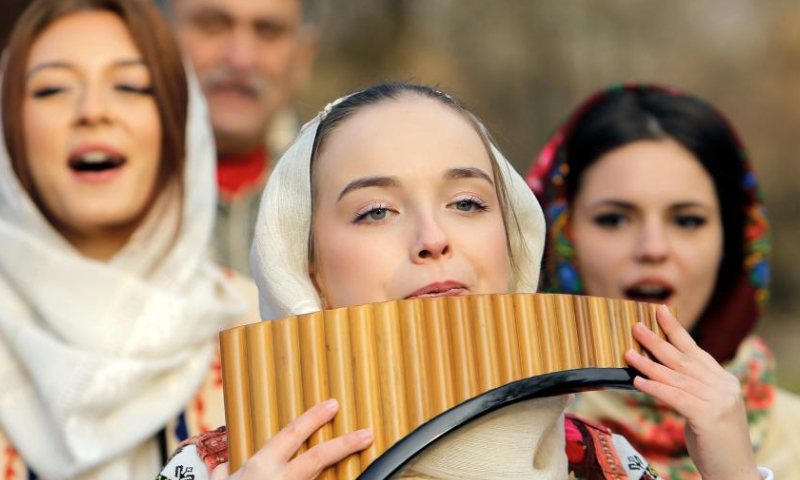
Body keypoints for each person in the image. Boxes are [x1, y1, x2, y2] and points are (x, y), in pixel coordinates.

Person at [157, 83, 771, 480]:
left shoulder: (606, 465)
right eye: (376, 210)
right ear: (306, 263)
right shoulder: (222, 471)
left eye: (469, 203)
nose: (432, 236)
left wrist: (735, 473)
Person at [0, 0, 259, 478]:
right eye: (53, 88)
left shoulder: (263, 333)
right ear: (8, 129)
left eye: (130, 86)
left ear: (180, 122)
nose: (93, 111)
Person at [527, 83, 800, 480]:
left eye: (687, 220)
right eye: (614, 219)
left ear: (734, 239)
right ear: (562, 235)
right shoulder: (502, 435)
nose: (652, 249)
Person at [164, 0, 319, 274]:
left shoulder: (344, 190)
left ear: (304, 57)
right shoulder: (91, 187)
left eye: (268, 31)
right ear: (156, 36)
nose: (241, 59)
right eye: (211, 25)